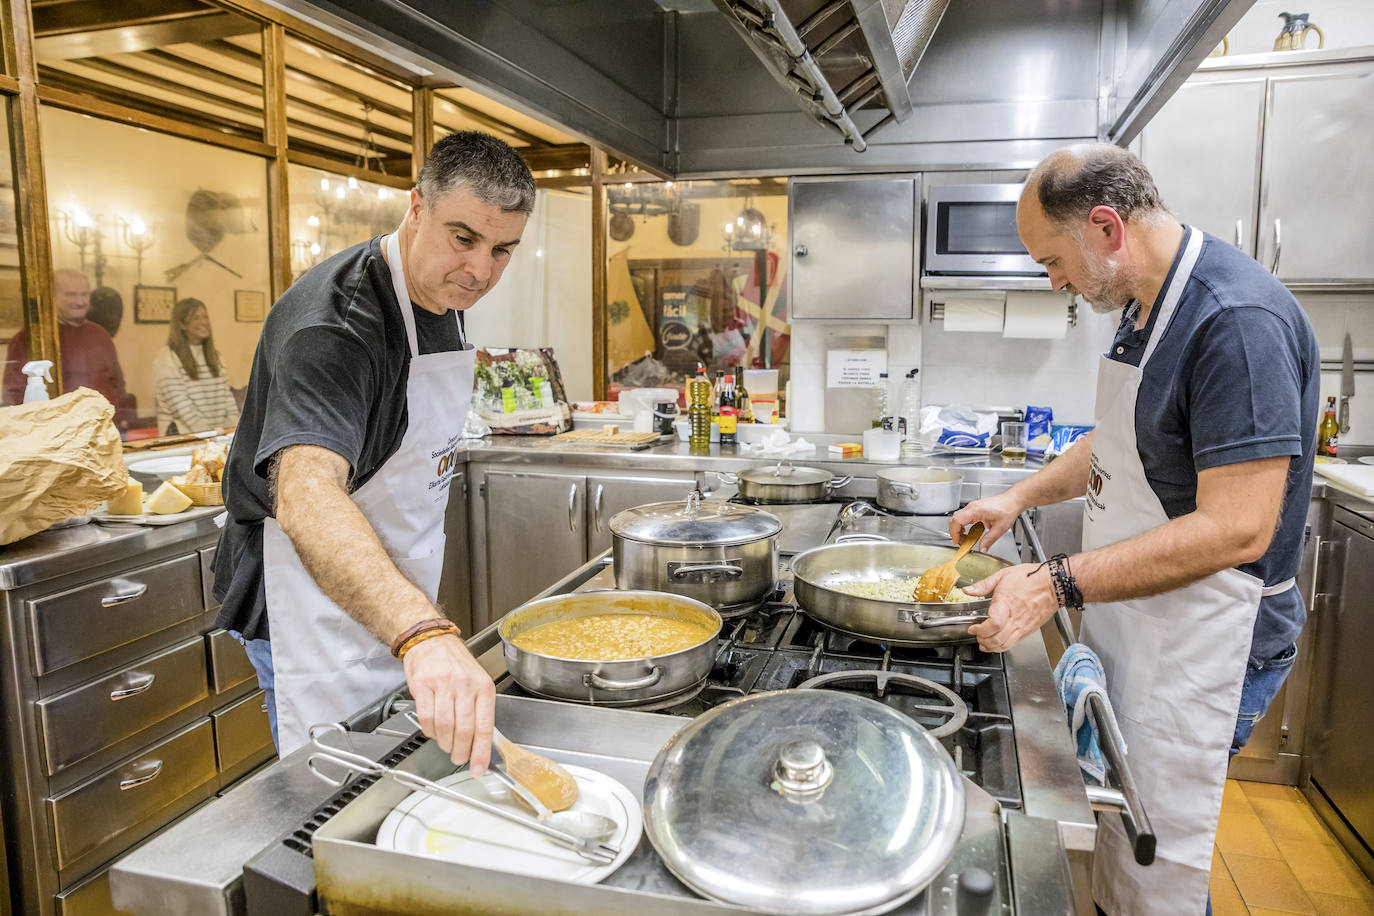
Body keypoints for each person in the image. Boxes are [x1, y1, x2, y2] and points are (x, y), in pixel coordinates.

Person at [950, 144, 1318, 916]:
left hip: (1211, 636)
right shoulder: (1144, 310)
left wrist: (1056, 582)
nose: (1053, 280)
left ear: (1108, 228)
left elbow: (1237, 530)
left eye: (1052, 260)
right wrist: (1017, 497)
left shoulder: (1234, 323)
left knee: (1161, 855)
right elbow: (1116, 440)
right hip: (1150, 622)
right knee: (1125, 831)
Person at [212, 131, 534, 768]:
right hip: (307, 604)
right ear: (416, 208)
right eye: (463, 238)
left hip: (385, 596)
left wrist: (415, 630)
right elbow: (305, 494)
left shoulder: (439, 294)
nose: (480, 270)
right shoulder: (334, 328)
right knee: (329, 793)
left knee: (392, 780)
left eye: (503, 250)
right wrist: (422, 632)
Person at [3, 269, 132, 423]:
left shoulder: (100, 334)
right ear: (52, 296)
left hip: (104, 428)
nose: (80, 301)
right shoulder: (30, 338)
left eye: (84, 294)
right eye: (71, 295)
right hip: (57, 434)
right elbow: (13, 394)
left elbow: (118, 383)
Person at [153, 297, 239, 435]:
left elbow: (227, 399)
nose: (203, 322)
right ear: (182, 325)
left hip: (214, 436)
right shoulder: (167, 357)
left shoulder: (215, 356)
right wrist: (209, 435)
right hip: (183, 438)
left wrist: (235, 432)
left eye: (205, 317)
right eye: (195, 318)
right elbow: (181, 407)